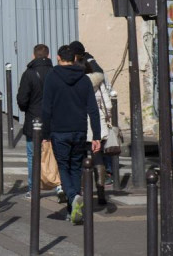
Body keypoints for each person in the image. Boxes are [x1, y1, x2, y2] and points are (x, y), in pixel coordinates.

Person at [42, 44, 102, 225]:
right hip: (79, 130)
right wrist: (97, 136)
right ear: (75, 58)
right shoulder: (84, 79)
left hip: (59, 130)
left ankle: (73, 196)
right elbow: (93, 109)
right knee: (76, 167)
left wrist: (45, 134)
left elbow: (46, 108)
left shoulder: (52, 77)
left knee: (63, 167)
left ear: (59, 58)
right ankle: (72, 211)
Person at [71, 40, 115, 202]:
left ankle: (83, 191)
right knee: (98, 157)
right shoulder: (99, 79)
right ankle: (101, 189)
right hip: (98, 124)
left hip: (80, 124)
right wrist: (108, 118)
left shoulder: (77, 82)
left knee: (81, 158)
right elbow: (108, 103)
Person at [16, 43, 53, 198]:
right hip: (53, 120)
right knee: (54, 155)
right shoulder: (55, 72)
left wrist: (28, 109)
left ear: (33, 56)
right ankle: (59, 185)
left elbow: (22, 99)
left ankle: (33, 189)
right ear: (48, 56)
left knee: (33, 156)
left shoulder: (29, 74)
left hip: (34, 119)